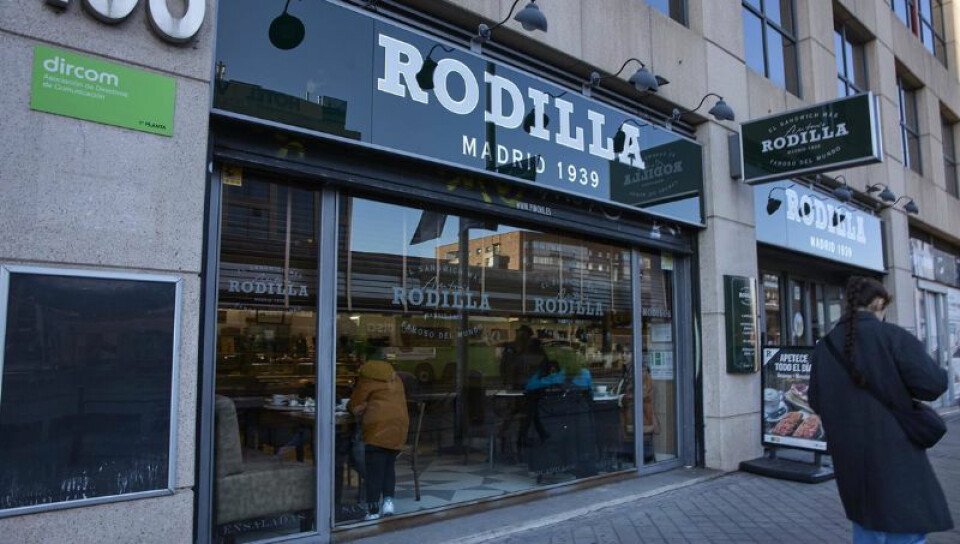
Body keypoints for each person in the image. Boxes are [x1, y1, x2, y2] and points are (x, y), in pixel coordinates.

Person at [809, 277, 953, 543]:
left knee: (867, 527)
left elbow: (816, 400)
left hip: (850, 458)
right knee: (905, 529)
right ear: (878, 303)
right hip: (896, 454)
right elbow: (933, 384)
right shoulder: (892, 336)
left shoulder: (825, 347)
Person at [348, 359, 409, 521]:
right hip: (398, 428)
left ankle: (373, 511)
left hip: (377, 429)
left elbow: (354, 405)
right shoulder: (396, 379)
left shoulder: (367, 380)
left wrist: (356, 407)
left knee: (374, 472)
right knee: (388, 467)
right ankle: (388, 503)